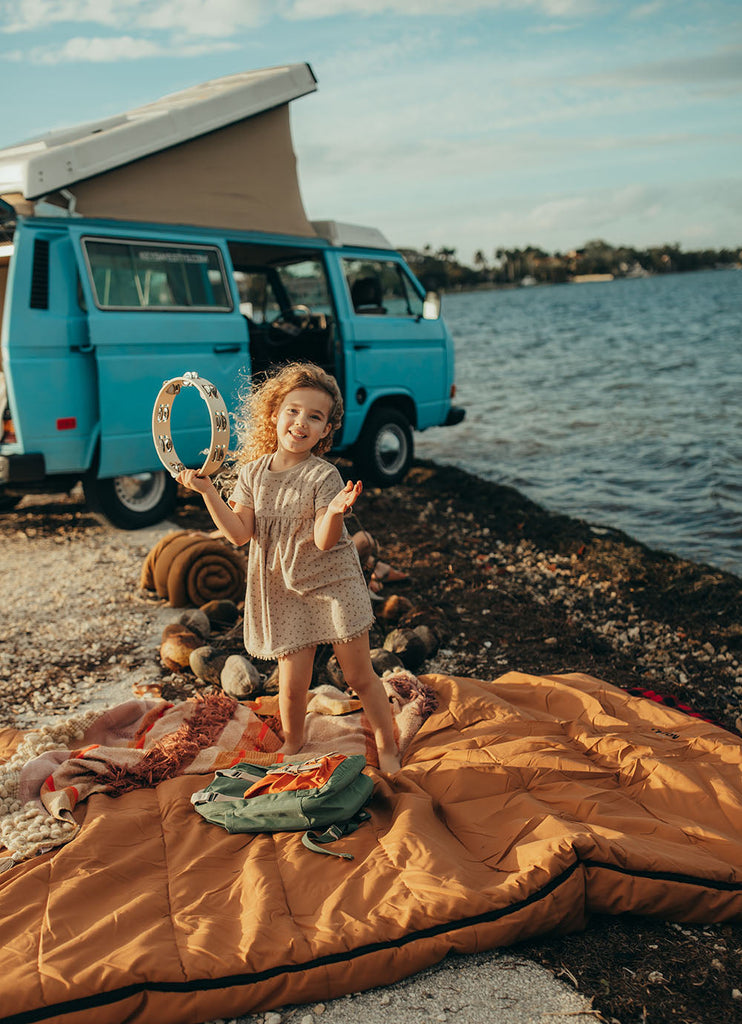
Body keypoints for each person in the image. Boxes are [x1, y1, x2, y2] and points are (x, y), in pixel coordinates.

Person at [177, 362, 401, 773]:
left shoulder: (323, 475)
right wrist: (208, 491)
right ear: (274, 414)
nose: (301, 423)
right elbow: (239, 533)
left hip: (333, 586)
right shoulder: (252, 474)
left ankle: (388, 745)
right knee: (292, 685)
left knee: (359, 676)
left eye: (314, 417)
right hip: (282, 588)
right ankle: (295, 741)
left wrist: (335, 512)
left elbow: (323, 540)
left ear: (324, 430)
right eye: (293, 411)